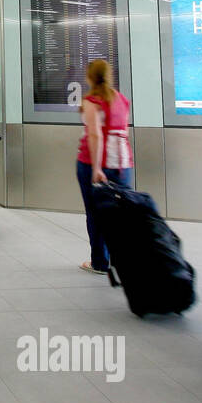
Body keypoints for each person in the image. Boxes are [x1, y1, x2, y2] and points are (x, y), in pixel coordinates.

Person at [75, 58, 133, 275]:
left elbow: (95, 134)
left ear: (90, 77)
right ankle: (124, 261)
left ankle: (100, 262)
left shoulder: (92, 101)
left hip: (94, 163)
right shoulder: (122, 99)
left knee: (95, 212)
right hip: (122, 163)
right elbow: (122, 130)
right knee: (122, 213)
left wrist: (97, 168)